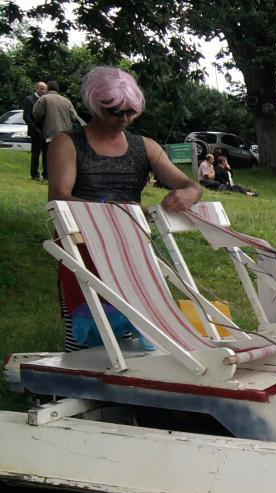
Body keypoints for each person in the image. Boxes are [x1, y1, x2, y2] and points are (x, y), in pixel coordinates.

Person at [46, 66, 203, 352]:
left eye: (130, 112)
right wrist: (122, 210)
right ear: (95, 105)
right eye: (114, 112)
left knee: (138, 321)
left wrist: (190, 192)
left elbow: (188, 184)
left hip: (131, 245)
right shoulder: (67, 143)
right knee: (86, 323)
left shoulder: (145, 146)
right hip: (82, 246)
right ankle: (80, 380)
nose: (123, 119)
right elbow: (60, 197)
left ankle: (134, 381)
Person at [34, 80, 81, 179]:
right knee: (63, 156)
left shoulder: (44, 99)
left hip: (51, 132)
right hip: (66, 134)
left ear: (48, 89)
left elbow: (37, 114)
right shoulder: (67, 101)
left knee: (49, 156)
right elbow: (74, 116)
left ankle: (48, 176)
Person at [23, 81, 47, 181]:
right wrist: (35, 129)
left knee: (46, 154)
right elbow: (26, 116)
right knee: (36, 154)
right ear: (36, 88)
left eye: (45, 89)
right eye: (42, 89)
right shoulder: (29, 99)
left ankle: (46, 174)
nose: (44, 91)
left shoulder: (46, 100)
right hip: (35, 131)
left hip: (46, 131)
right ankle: (34, 174)